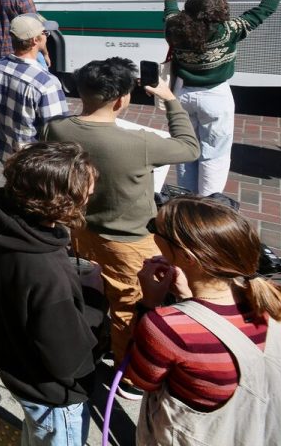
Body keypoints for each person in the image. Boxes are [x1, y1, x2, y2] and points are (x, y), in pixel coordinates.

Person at [44, 58, 200, 376]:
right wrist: (169, 99)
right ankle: (129, 373)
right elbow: (189, 147)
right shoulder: (139, 143)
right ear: (121, 99)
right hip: (129, 242)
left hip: (80, 230)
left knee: (94, 286)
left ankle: (97, 336)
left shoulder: (57, 128)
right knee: (129, 307)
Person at [128, 197, 281, 446]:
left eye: (153, 228)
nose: (151, 232)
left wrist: (148, 304)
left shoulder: (167, 326)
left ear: (187, 257)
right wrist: (187, 297)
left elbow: (141, 380)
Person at [0, 142, 100, 446]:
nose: (89, 198)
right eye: (86, 194)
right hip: (52, 396)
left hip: (13, 362)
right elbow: (69, 363)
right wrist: (94, 298)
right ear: (60, 203)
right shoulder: (48, 274)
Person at [163, 0, 281, 196]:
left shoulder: (173, 28)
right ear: (219, 15)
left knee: (185, 149)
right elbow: (266, 8)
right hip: (215, 98)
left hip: (181, 96)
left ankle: (186, 199)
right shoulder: (230, 30)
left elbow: (170, 5)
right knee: (215, 154)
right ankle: (209, 203)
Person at [0, 14, 68, 162]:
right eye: (45, 33)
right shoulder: (46, 83)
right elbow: (58, 134)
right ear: (35, 40)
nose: (47, 36)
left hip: (5, 154)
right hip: (32, 164)